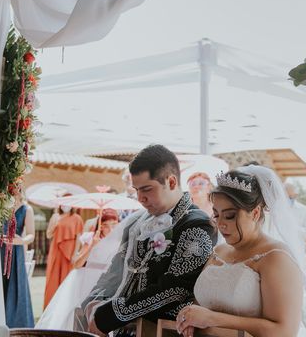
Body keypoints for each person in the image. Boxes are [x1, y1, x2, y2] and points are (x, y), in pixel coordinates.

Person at [173, 166, 306, 337]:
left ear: (255, 213)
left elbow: (284, 331)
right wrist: (190, 318)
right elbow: (201, 307)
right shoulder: (218, 251)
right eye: (216, 215)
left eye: (230, 216)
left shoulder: (276, 257)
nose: (221, 224)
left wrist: (213, 318)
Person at [80, 144, 216, 336]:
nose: (140, 198)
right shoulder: (136, 223)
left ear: (171, 181)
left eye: (147, 189)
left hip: (163, 331)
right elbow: (115, 270)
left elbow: (175, 290)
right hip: (120, 330)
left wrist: (109, 315)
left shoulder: (198, 225)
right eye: (136, 190)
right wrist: (95, 300)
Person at [36, 209, 120, 330]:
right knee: (78, 314)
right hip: (85, 279)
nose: (110, 229)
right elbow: (77, 264)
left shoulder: (119, 242)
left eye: (114, 224)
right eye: (105, 225)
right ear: (100, 227)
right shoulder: (91, 238)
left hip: (105, 282)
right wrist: (92, 247)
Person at [0, 191, 35, 328]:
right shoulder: (0, 206)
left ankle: (16, 324)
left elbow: (31, 235)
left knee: (16, 285)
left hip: (16, 252)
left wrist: (19, 241)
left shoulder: (27, 209)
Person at [44, 201, 84, 308]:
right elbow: (48, 235)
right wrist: (54, 224)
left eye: (68, 203)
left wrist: (75, 253)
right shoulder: (55, 216)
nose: (66, 205)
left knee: (66, 278)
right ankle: (51, 306)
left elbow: (78, 238)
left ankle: (64, 306)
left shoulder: (77, 218)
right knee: (54, 277)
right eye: (63, 203)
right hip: (56, 250)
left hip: (70, 251)